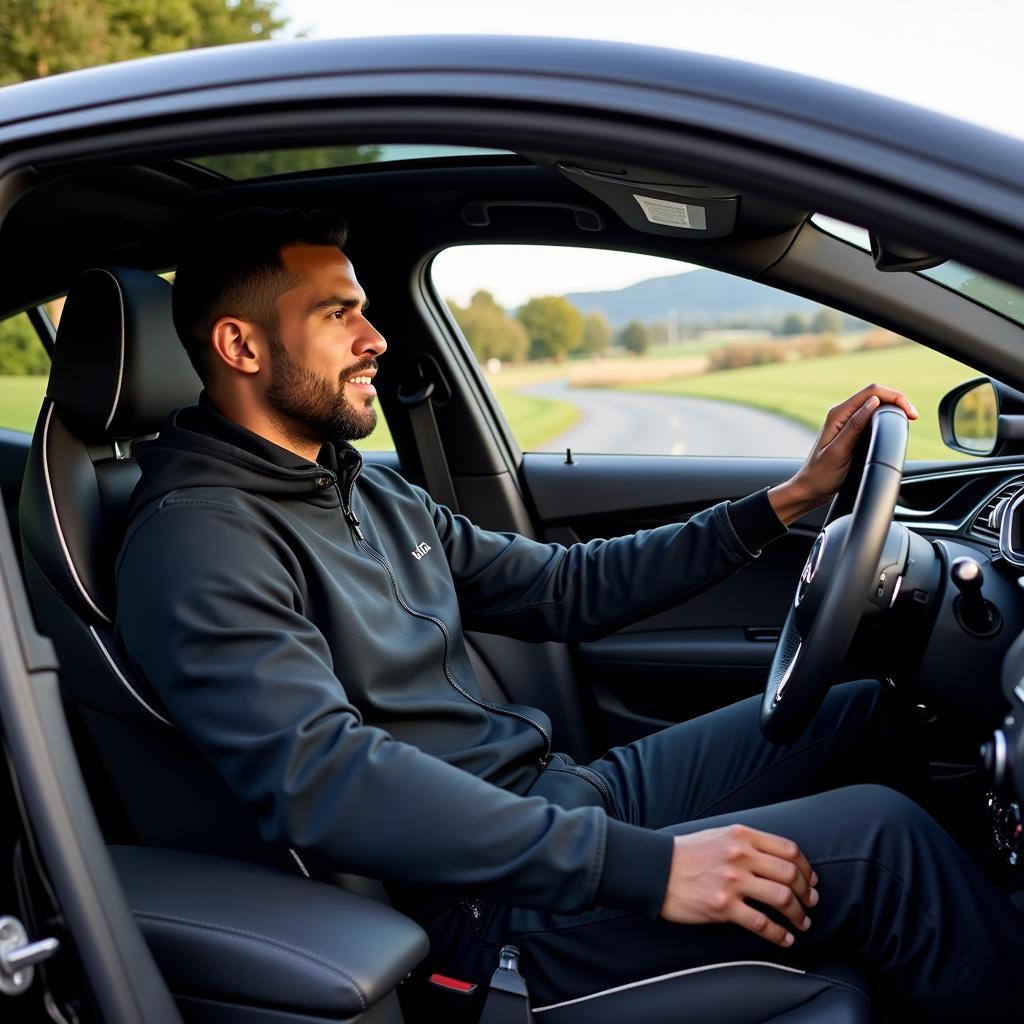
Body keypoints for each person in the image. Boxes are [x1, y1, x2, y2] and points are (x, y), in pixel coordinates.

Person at [115, 208, 1023, 1020]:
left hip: (558, 799)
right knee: (882, 842)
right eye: (336, 313)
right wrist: (649, 868)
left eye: (363, 307)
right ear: (240, 347)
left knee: (868, 710)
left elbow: (563, 587)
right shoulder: (196, 540)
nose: (375, 338)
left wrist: (784, 502)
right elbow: (325, 779)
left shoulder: (353, 487)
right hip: (479, 913)